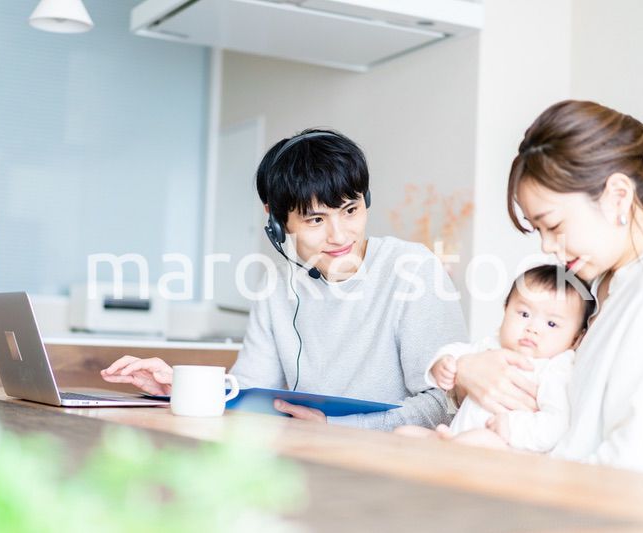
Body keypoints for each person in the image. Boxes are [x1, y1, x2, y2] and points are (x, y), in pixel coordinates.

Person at [102, 129, 468, 431]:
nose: (340, 235)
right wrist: (177, 388)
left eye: (351, 210)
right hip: (307, 455)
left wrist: (340, 428)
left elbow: (444, 402)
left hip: (391, 461)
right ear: (276, 223)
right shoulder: (278, 285)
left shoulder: (411, 268)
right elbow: (249, 390)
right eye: (316, 220)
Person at [451, 100, 643, 478]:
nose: (547, 247)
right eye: (538, 231)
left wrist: (505, 467)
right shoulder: (604, 292)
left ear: (618, 195)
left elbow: (637, 471)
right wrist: (468, 373)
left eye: (553, 225)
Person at [396, 264, 594, 452]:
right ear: (505, 310)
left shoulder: (555, 369)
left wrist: (512, 426)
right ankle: (448, 447)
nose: (532, 328)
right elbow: (460, 351)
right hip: (460, 438)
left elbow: (556, 424)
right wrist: (444, 364)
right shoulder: (493, 345)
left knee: (483, 440)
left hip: (506, 449)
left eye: (551, 324)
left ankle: (448, 449)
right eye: (524, 313)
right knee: (404, 434)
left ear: (575, 339)